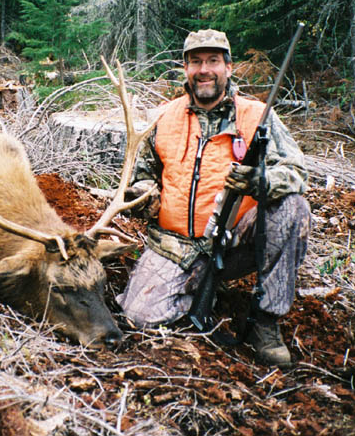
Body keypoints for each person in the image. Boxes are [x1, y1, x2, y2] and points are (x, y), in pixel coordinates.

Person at [117, 29, 310, 366]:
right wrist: (144, 194)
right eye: (195, 62)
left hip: (235, 240)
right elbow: (143, 174)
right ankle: (193, 288)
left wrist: (260, 180)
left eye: (212, 61)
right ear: (185, 67)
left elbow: (296, 172)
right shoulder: (163, 118)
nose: (204, 69)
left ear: (228, 67)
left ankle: (264, 320)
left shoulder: (257, 116)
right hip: (174, 245)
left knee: (292, 207)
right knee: (139, 318)